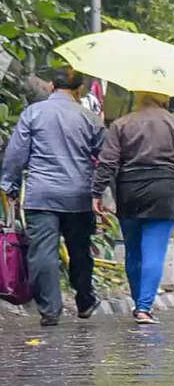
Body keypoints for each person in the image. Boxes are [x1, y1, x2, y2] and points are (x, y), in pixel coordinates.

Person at [0, 69, 105, 326]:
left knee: (43, 252)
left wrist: (10, 185)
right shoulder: (89, 118)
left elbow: (15, 154)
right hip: (78, 196)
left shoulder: (33, 113)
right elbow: (105, 156)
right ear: (80, 89)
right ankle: (84, 301)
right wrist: (99, 192)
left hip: (41, 195)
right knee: (80, 250)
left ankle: (50, 310)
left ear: (50, 86)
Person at [92, 91, 174, 324]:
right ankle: (143, 307)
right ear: (164, 97)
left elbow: (108, 161)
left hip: (129, 192)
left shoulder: (121, 124)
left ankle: (139, 302)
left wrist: (96, 192)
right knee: (154, 251)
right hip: (163, 192)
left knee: (134, 251)